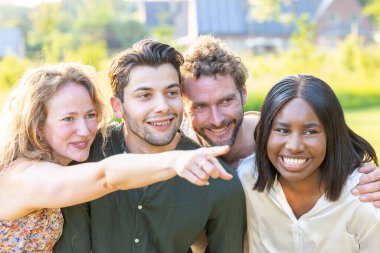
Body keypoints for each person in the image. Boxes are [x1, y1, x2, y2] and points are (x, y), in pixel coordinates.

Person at [0, 63, 235, 252]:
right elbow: (106, 176)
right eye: (68, 119)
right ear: (37, 125)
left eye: (90, 115)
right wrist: (175, 160)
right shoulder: (21, 177)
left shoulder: (65, 165)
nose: (84, 130)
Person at [180, 35, 380, 252]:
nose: (217, 119)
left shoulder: (277, 141)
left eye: (226, 101)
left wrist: (369, 179)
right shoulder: (179, 155)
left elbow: (332, 145)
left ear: (243, 93)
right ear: (183, 107)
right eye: (200, 106)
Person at [53, 40, 246, 253]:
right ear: (118, 106)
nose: (162, 107)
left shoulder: (221, 181)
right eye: (145, 95)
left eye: (171, 93)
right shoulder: (85, 157)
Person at [239, 74, 379, 252]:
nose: (294, 146)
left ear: (331, 136)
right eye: (282, 130)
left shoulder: (363, 200)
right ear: (266, 132)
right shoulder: (247, 179)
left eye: (310, 132)